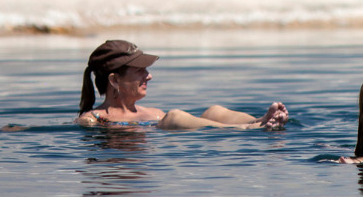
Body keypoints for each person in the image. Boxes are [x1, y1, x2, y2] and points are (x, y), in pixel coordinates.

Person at [76, 39, 288, 129]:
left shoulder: (154, 113)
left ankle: (261, 121)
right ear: (114, 80)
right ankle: (247, 128)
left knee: (213, 110)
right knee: (174, 117)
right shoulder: (93, 120)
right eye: (139, 70)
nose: (149, 77)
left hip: (164, 127)